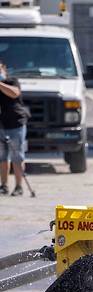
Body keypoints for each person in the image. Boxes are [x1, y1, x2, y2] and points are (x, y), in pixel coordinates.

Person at [0, 62, 29, 196]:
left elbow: (14, 93)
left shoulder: (12, 81)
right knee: (2, 157)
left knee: (17, 156)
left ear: (4, 69)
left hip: (16, 124)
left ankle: (18, 187)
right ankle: (4, 185)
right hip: (1, 125)